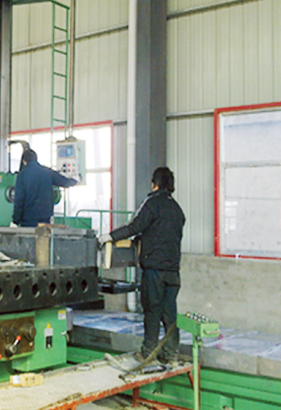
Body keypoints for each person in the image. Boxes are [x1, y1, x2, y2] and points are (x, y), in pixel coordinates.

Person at [98, 167, 185, 365]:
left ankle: (148, 353)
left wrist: (110, 236)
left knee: (152, 310)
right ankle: (171, 353)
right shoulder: (177, 209)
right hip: (173, 271)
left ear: (155, 184)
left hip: (154, 269)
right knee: (170, 313)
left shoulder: (152, 203)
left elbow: (135, 226)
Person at [12, 149, 77, 227]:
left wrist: (16, 220)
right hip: (45, 220)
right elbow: (64, 182)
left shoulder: (22, 175)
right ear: (36, 159)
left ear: (24, 161)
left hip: (28, 220)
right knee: (43, 234)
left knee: (30, 235)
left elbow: (19, 200)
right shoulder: (47, 172)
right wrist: (75, 181)